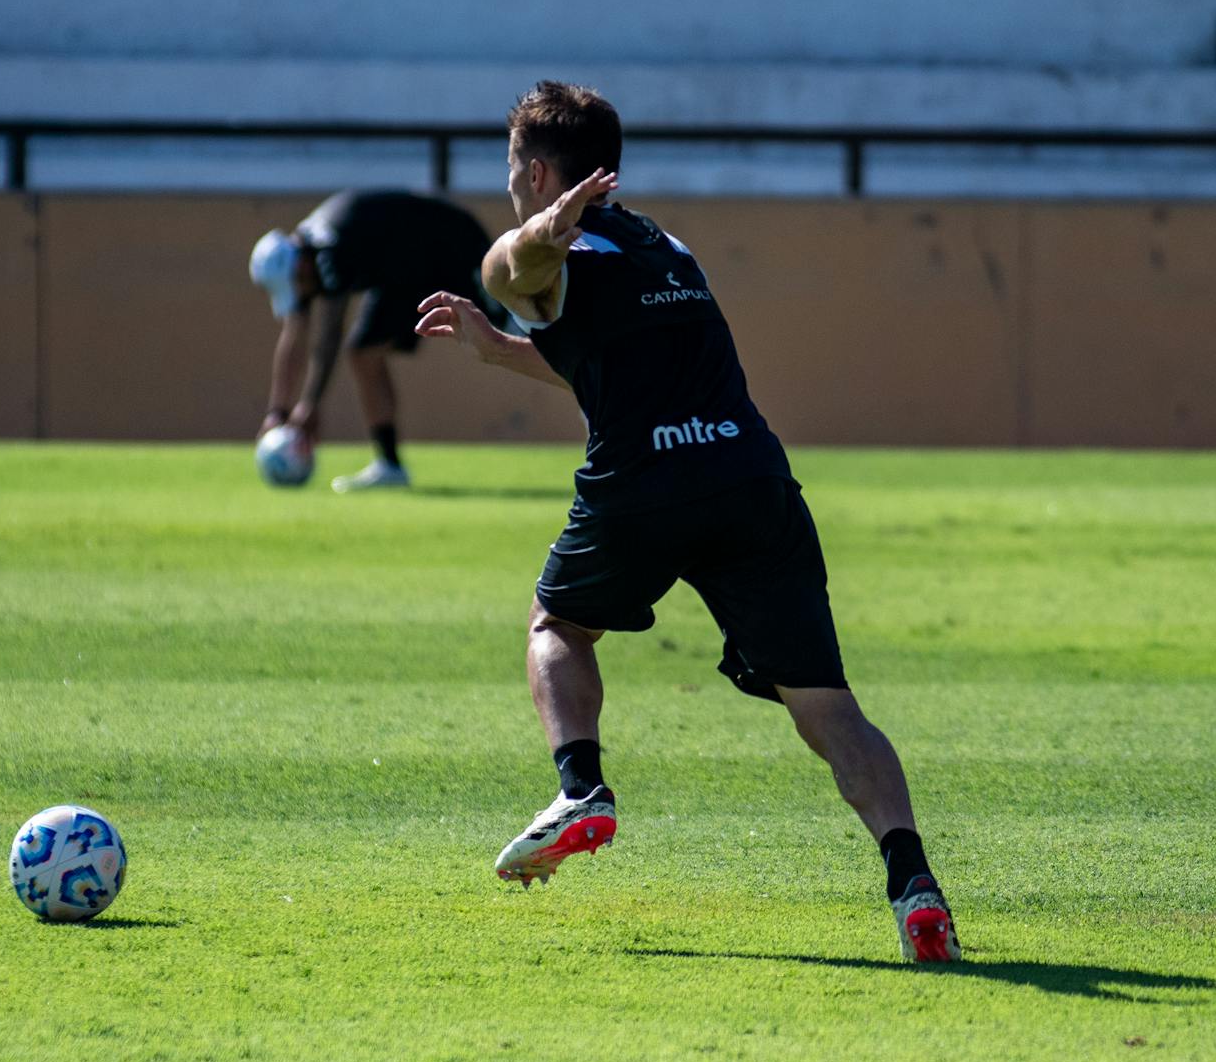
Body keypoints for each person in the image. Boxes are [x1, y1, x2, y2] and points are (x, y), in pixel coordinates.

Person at [415, 81, 960, 963]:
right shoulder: (665, 248)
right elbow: (604, 365)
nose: (511, 186)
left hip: (644, 484)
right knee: (828, 708)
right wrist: (497, 349)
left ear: (540, 170)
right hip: (750, 477)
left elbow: (517, 264)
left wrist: (539, 235)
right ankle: (915, 887)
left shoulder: (533, 250)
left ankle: (581, 789)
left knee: (558, 624)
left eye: (515, 170)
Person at [249, 190, 495, 492]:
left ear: (299, 266)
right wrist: (278, 411)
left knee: (511, 330)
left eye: (296, 285)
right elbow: (295, 332)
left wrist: (310, 405)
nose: (299, 293)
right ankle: (390, 466)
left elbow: (328, 336)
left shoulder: (328, 252)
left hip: (449, 248)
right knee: (363, 353)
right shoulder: (305, 257)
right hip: (402, 266)